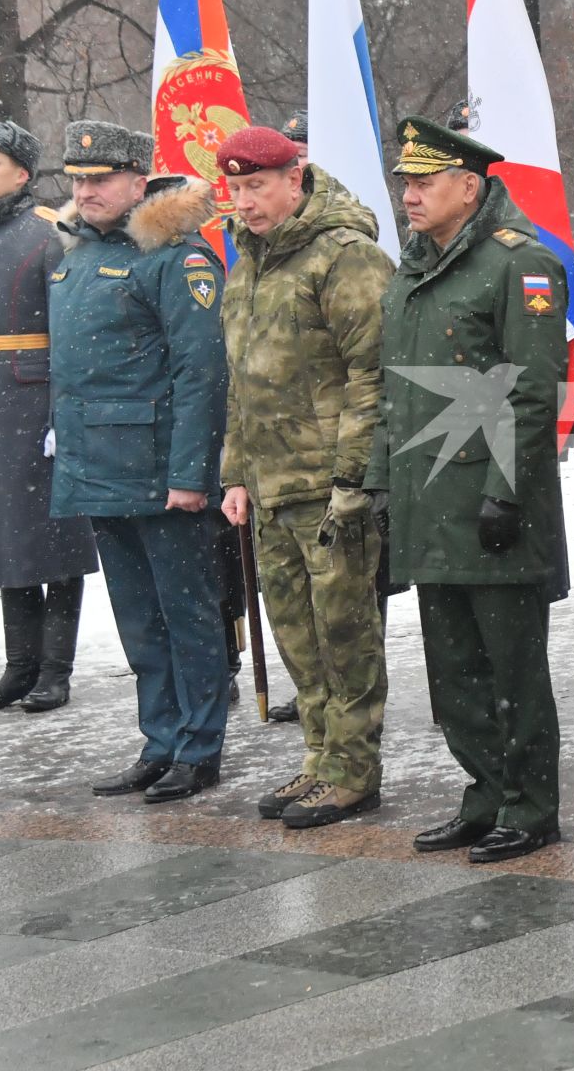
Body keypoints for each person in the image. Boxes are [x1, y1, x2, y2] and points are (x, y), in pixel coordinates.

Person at [372, 116, 569, 864]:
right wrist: (381, 483)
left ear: (469, 186)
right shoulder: (415, 267)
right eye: (406, 184)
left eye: (424, 183)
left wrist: (505, 494)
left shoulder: (519, 265)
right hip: (428, 501)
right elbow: (395, 391)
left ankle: (531, 804)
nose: (410, 196)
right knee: (454, 675)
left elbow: (529, 391)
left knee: (512, 668)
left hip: (492, 506)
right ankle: (484, 794)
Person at [215, 126, 394, 829]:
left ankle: (354, 771)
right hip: (270, 485)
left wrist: (354, 477)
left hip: (327, 488)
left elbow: (372, 376)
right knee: (296, 635)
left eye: (257, 186)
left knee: (345, 634)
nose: (244, 201)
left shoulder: (345, 256)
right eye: (235, 188)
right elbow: (243, 380)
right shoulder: (250, 261)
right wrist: (236, 471)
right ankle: (320, 758)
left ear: (297, 178)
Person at [50, 121, 229, 803]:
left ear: (136, 180)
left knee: (186, 615)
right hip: (99, 467)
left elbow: (201, 374)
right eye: (77, 179)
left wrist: (190, 477)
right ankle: (159, 741)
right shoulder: (77, 256)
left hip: (159, 471)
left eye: (99, 179)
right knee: (138, 620)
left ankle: (200, 745)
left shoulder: (173, 258)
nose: (85, 191)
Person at [0, 119, 98, 713]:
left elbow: (70, 332)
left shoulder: (51, 233)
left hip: (34, 405)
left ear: (23, 174)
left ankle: (54, 671)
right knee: (4, 535)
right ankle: (19, 668)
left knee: (52, 541)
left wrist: (65, 414)